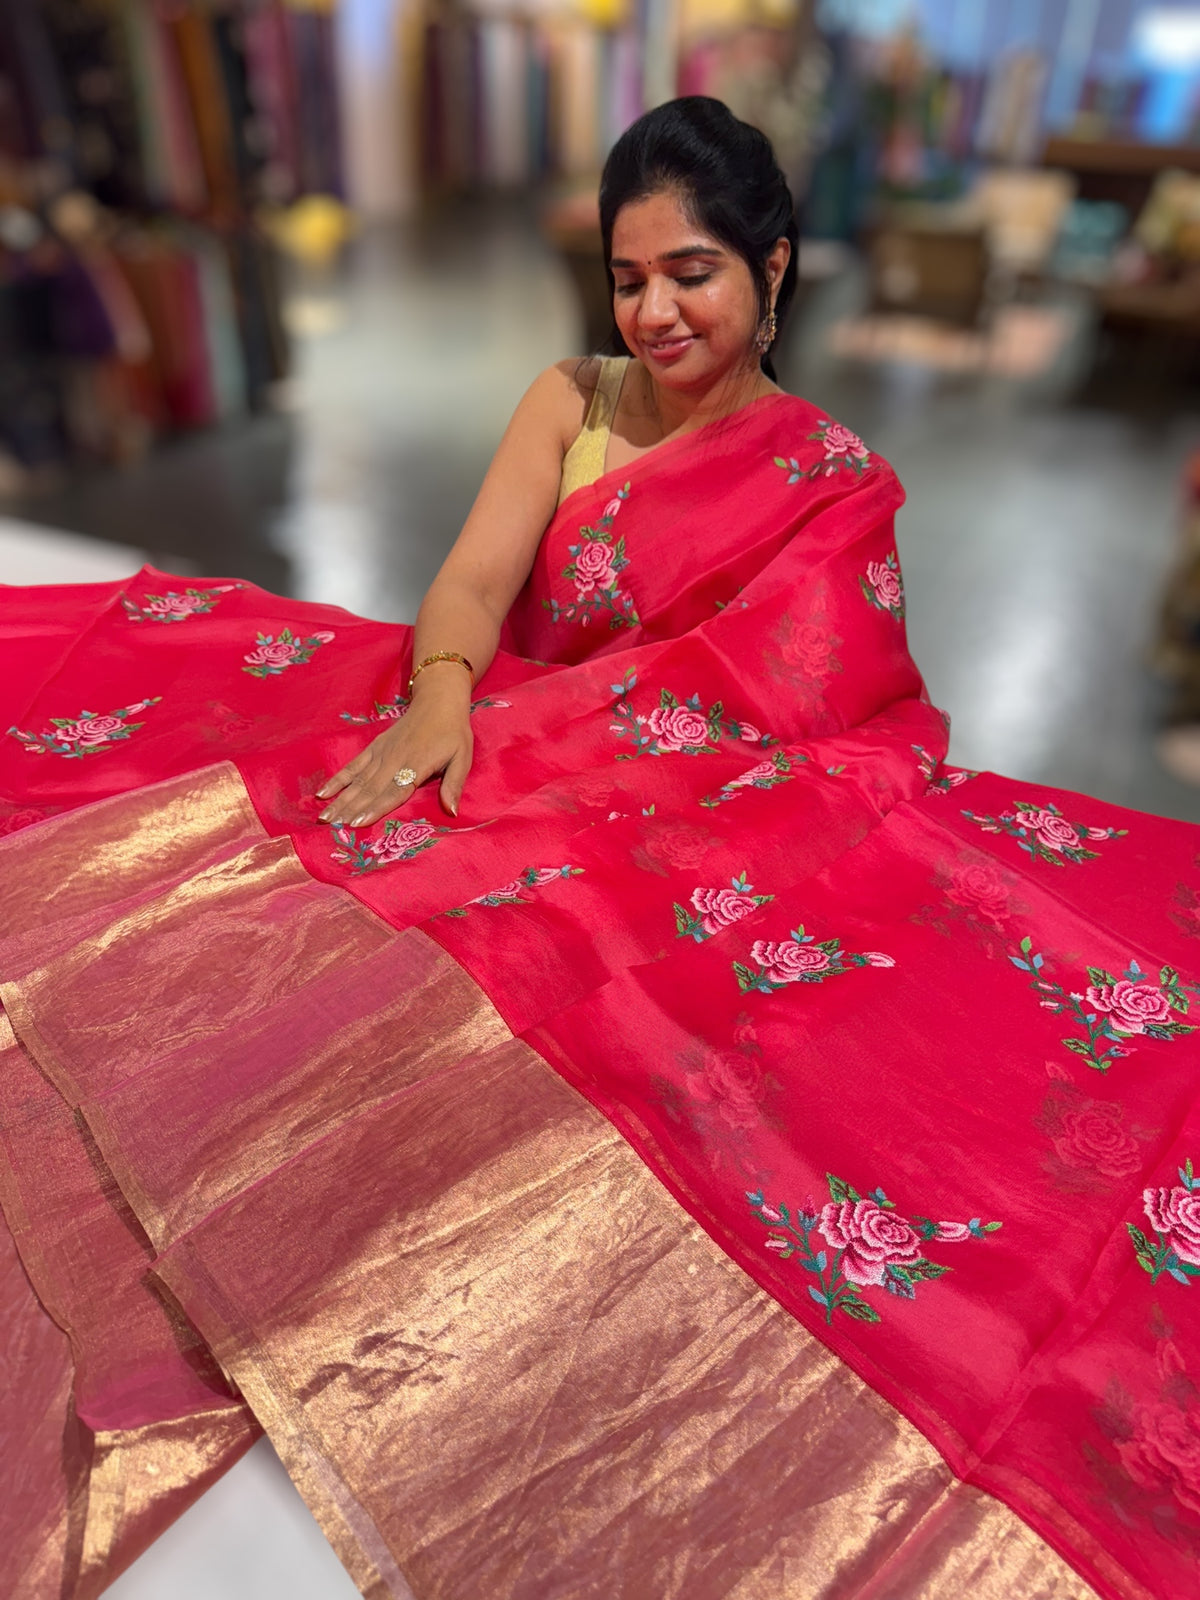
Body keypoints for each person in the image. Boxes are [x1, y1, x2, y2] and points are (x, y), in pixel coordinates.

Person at [0, 98, 1197, 1600]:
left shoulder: (832, 483)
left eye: (691, 271)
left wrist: (608, 760)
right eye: (628, 278)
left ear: (776, 267)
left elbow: (824, 717)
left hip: (677, 805)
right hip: (506, 737)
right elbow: (473, 583)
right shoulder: (570, 399)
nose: (654, 311)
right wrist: (446, 699)